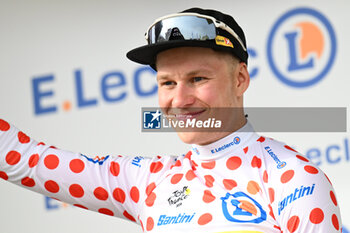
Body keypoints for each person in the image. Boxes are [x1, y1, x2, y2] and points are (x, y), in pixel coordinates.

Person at [0, 7, 342, 233]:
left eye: (197, 79)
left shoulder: (293, 178)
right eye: (168, 83)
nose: (179, 100)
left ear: (240, 79)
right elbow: (24, 159)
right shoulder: (147, 181)